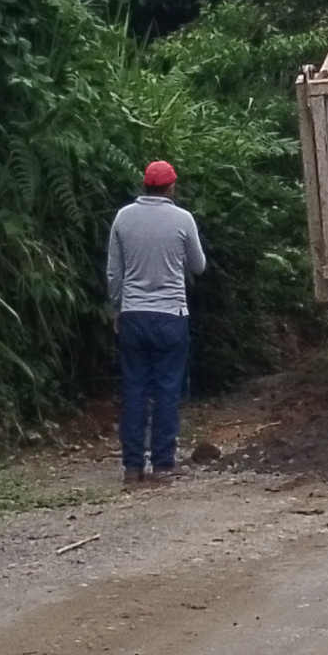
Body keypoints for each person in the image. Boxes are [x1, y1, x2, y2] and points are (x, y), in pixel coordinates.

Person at [103, 159, 209, 486]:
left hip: (133, 315)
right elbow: (199, 266)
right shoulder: (183, 219)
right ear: (171, 186)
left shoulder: (123, 217)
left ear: (145, 184)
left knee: (134, 389)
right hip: (170, 315)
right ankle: (163, 463)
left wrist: (118, 307)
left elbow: (114, 273)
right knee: (166, 388)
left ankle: (132, 467)